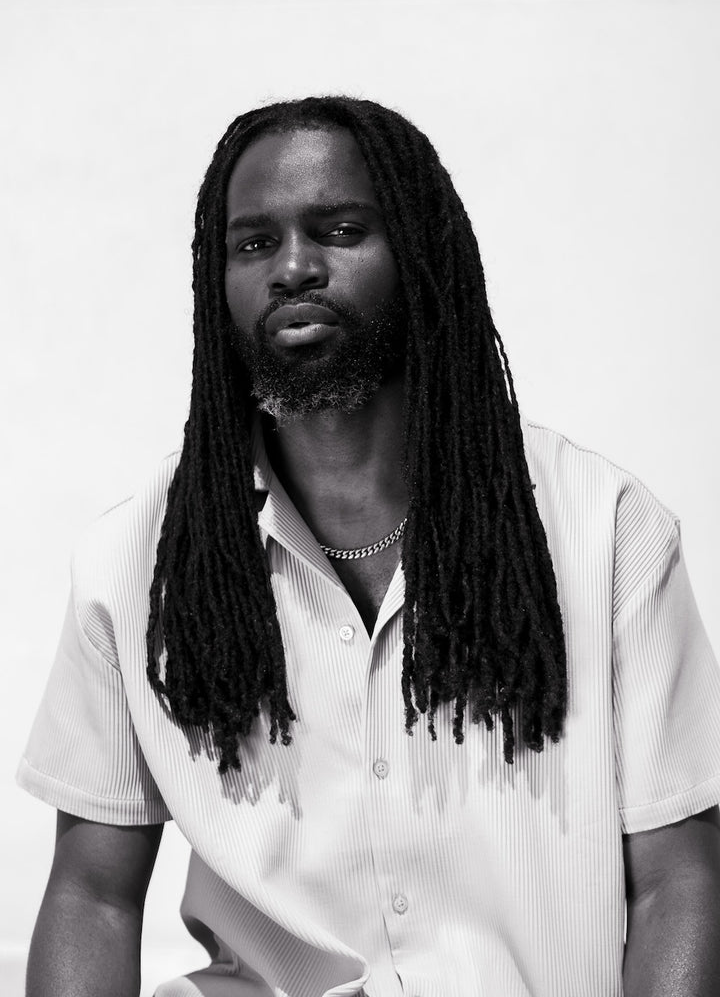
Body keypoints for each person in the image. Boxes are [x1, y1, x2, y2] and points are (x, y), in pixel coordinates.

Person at [18, 96, 720, 997]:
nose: (294, 267)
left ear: (418, 256)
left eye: (340, 231)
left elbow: (679, 882)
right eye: (254, 244)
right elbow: (93, 897)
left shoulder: (606, 532)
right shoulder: (135, 563)